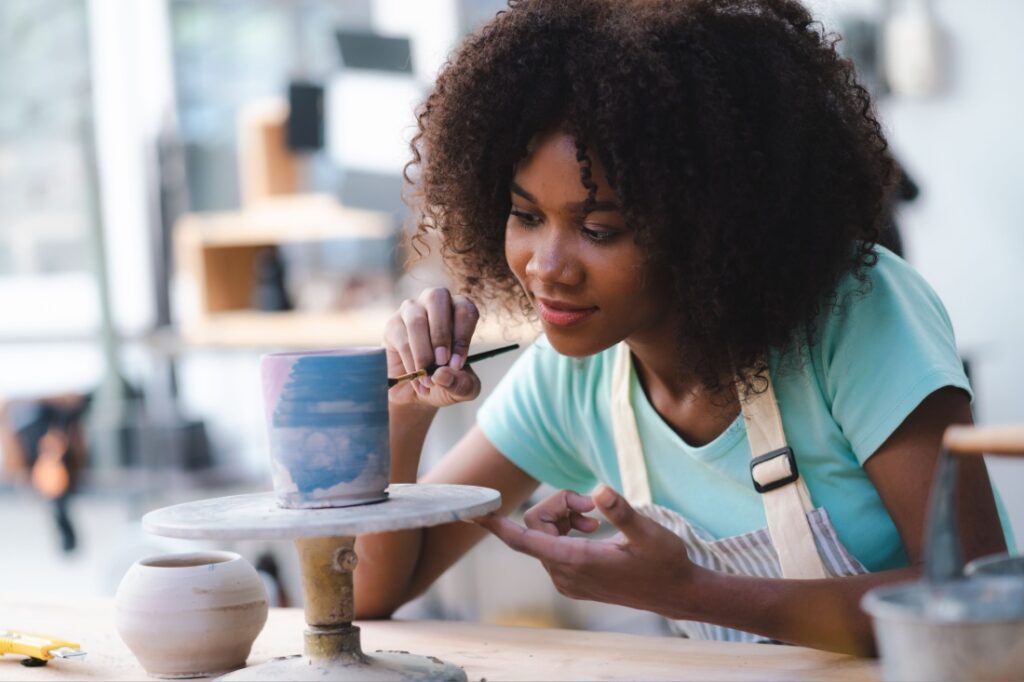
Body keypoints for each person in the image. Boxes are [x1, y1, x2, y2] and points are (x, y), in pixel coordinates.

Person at [353, 0, 1010, 655]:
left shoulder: (856, 316)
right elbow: (368, 593)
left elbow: (973, 601)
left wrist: (687, 590)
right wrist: (403, 415)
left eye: (599, 229)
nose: (546, 267)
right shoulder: (573, 379)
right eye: (525, 216)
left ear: (708, 227)